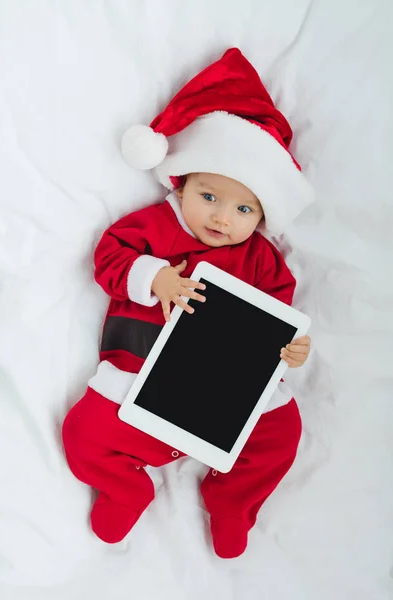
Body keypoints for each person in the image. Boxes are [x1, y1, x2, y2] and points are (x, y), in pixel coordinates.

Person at [62, 48, 314, 559]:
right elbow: (109, 256)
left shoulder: (263, 260)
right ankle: (126, 486)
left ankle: (231, 502)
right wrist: (155, 279)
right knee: (83, 434)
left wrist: (290, 351)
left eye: (244, 208)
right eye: (209, 196)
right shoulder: (157, 226)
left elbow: (279, 317)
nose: (223, 218)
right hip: (137, 381)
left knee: (282, 435)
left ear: (262, 216)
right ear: (182, 182)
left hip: (224, 392)